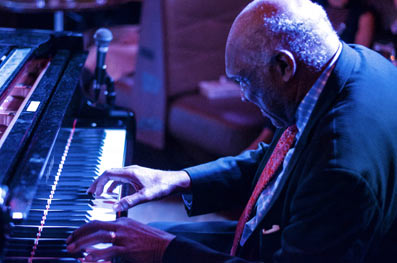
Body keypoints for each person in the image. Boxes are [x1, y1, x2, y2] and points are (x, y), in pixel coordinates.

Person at [66, 0, 397, 262]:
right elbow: (277, 161)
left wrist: (164, 251)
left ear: (284, 66)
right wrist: (177, 179)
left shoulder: (339, 167)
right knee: (132, 241)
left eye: (245, 81)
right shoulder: (354, 63)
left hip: (292, 246)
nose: (244, 96)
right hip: (282, 231)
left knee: (137, 249)